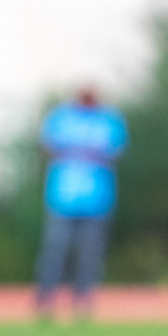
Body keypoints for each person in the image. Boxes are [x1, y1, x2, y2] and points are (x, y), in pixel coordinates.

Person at [34, 86, 128, 319]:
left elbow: (117, 152)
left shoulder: (109, 120)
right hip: (62, 197)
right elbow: (46, 147)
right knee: (54, 251)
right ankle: (45, 299)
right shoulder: (61, 117)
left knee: (90, 255)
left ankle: (82, 301)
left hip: (97, 200)